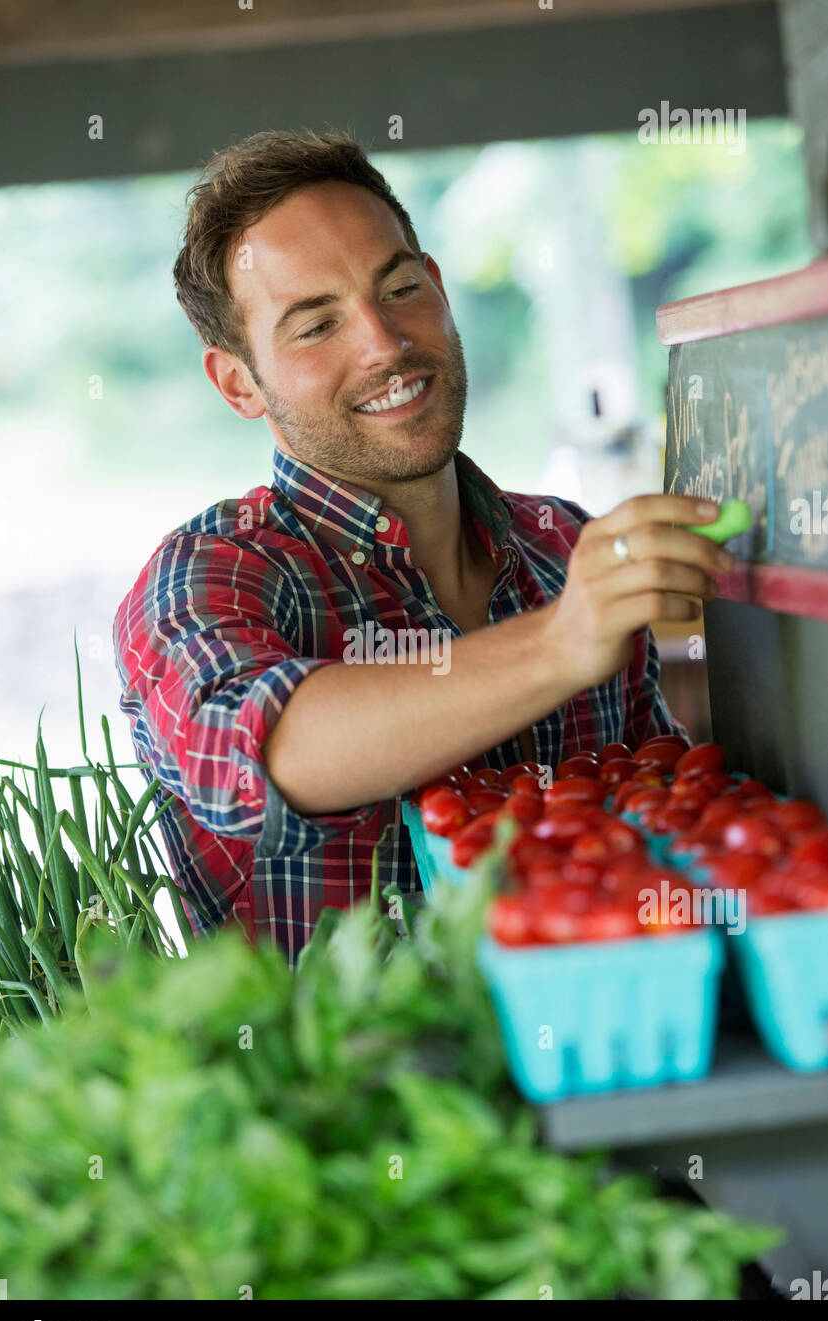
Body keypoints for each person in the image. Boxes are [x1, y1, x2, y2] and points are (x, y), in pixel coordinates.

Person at [113, 130, 733, 960]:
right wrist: (558, 643)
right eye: (314, 325)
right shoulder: (209, 574)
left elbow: (657, 804)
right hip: (358, 1084)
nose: (383, 342)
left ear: (437, 286)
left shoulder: (563, 545)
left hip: (617, 1051)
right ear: (238, 381)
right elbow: (270, 754)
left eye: (398, 287)